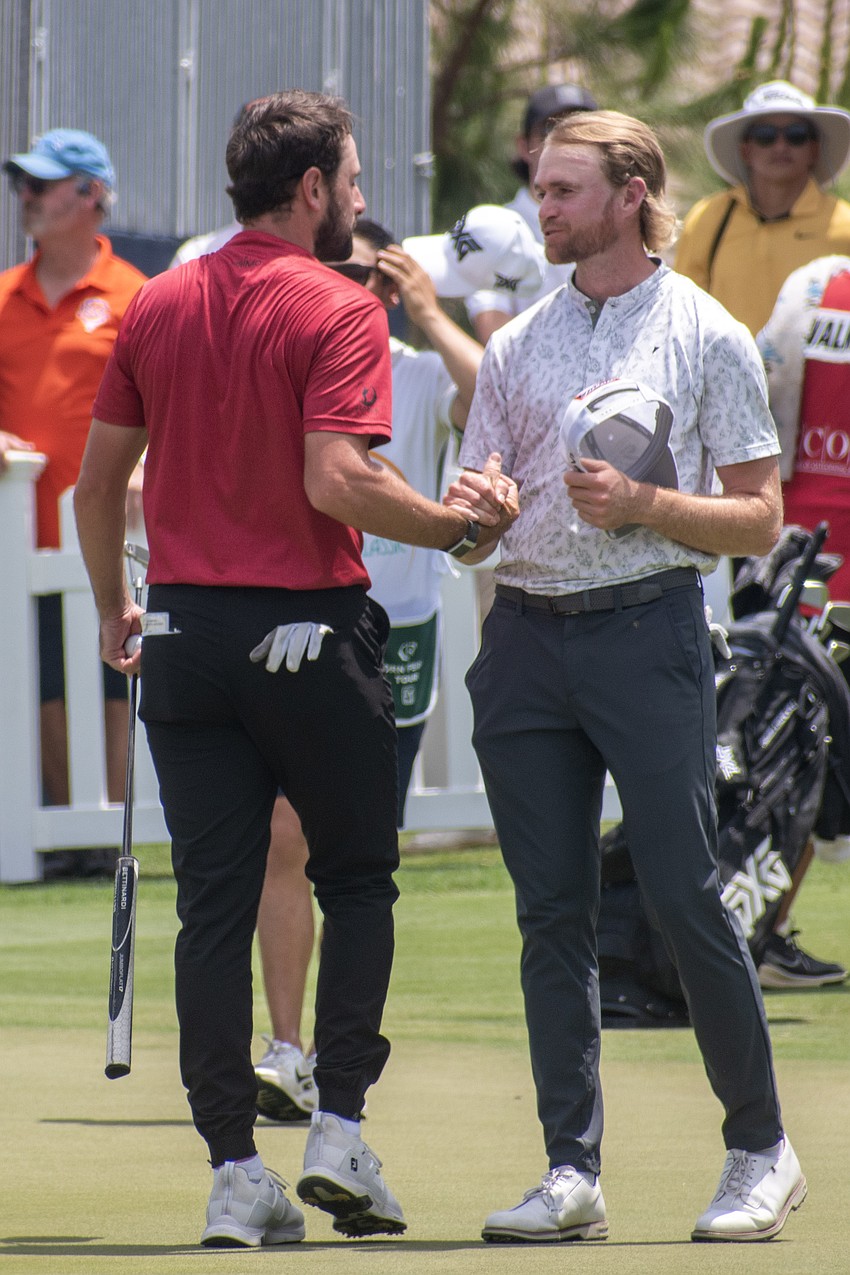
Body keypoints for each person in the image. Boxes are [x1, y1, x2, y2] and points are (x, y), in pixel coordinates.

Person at [72, 89, 517, 1248]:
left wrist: (121, 603)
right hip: (307, 636)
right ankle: (341, 1135)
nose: (361, 202)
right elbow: (339, 481)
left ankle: (233, 1171)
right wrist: (458, 531)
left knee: (210, 910)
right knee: (358, 880)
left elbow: (95, 481)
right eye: (355, 183)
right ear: (312, 189)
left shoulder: (159, 301)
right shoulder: (336, 304)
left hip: (180, 638)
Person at [447, 107, 807, 1244]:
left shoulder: (706, 332)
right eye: (539, 191)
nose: (539, 210)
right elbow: (474, 514)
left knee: (682, 893)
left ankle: (759, 1147)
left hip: (648, 629)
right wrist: (474, 518)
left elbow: (757, 520)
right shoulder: (514, 343)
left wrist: (646, 503)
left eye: (561, 191)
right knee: (548, 911)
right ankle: (570, 1171)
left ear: (628, 193)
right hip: (526, 637)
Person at [253, 212, 532, 1120]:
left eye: (376, 280)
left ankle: (335, 1049)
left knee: (358, 846)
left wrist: (423, 304)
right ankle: (284, 1046)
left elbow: (493, 387)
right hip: (297, 612)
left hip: (393, 630)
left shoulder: (412, 372)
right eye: (346, 277)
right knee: (283, 833)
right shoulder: (295, 366)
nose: (360, 294)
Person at [0, 128, 146, 878]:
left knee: (113, 678)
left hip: (114, 533)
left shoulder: (136, 297)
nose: (26, 194)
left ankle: (107, 832)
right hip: (23, 539)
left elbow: (167, 406)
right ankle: (75, 841)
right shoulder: (2, 296)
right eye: (23, 181)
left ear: (92, 194)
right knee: (47, 684)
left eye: (44, 182)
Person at [676, 80, 850, 336]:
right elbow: (683, 313)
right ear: (746, 150)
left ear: (814, 149)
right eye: (765, 136)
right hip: (722, 376)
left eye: (796, 135)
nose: (781, 146)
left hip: (813, 376)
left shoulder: (844, 226)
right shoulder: (707, 218)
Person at [466, 82, 598, 343]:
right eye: (550, 130)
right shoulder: (494, 228)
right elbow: (496, 338)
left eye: (584, 131)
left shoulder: (620, 220)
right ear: (523, 146)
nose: (567, 143)